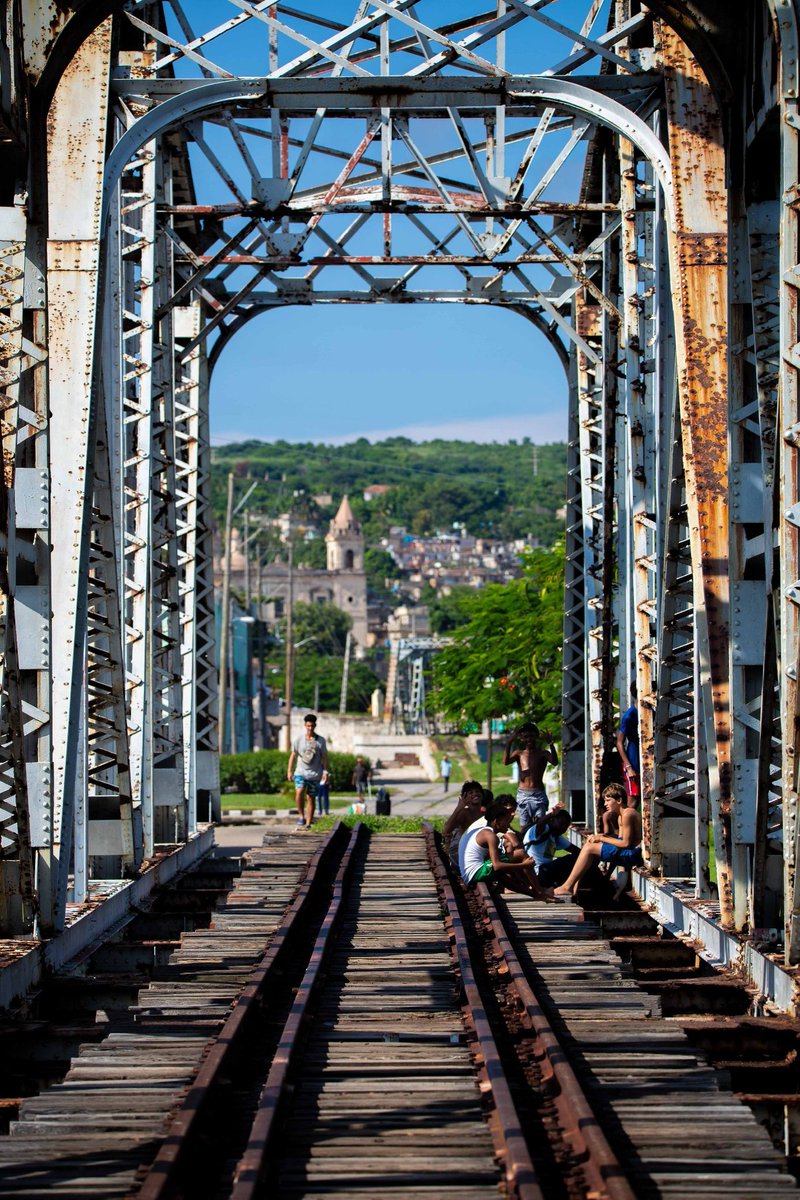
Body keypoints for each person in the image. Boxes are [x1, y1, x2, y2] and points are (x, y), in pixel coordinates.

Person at [459, 797, 552, 899]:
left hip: (469, 874)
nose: (508, 825)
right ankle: (539, 891)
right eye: (506, 821)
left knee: (503, 877)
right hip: (476, 873)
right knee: (520, 854)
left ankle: (536, 894)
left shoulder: (483, 831)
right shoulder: (490, 836)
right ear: (496, 821)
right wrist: (523, 865)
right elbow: (497, 866)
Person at [554, 790, 642, 897]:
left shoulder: (628, 814)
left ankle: (567, 887)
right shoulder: (621, 815)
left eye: (608, 800)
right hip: (627, 851)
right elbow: (620, 842)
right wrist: (601, 838)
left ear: (619, 800)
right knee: (588, 846)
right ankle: (574, 888)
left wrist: (601, 838)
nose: (605, 804)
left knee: (589, 849)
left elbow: (625, 844)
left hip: (632, 854)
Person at [502, 721, 558, 837]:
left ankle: (538, 849)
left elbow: (554, 762)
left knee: (540, 825)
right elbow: (506, 762)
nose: (529, 739)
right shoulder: (519, 753)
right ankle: (526, 850)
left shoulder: (543, 753)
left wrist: (551, 743)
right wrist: (509, 742)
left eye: (531, 736)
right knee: (525, 827)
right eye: (526, 737)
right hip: (523, 794)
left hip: (538, 794)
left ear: (536, 736)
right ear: (521, 738)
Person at [286, 713, 329, 829]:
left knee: (311, 798)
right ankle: (301, 816)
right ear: (305, 725)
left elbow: (324, 757)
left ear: (315, 725)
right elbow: (293, 755)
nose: (310, 728)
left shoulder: (320, 741)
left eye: (312, 726)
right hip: (300, 772)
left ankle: (308, 822)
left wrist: (325, 772)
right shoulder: (298, 740)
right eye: (308, 726)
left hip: (314, 774)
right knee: (299, 791)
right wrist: (289, 771)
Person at [523, 808, 577, 888]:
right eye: (561, 824)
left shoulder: (556, 836)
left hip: (547, 871)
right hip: (537, 872)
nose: (563, 828)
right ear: (551, 820)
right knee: (570, 859)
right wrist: (550, 814)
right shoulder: (543, 829)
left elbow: (577, 851)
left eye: (566, 826)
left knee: (576, 858)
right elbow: (540, 824)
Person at [443, 781, 485, 866]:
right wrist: (459, 807)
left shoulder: (484, 814)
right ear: (464, 797)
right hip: (464, 851)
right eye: (471, 793)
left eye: (477, 791)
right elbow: (446, 829)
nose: (475, 794)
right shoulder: (464, 813)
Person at [616, 683, 639, 799]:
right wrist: (629, 767)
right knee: (633, 801)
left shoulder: (649, 712)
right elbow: (619, 742)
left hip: (646, 758)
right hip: (633, 761)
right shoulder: (629, 716)